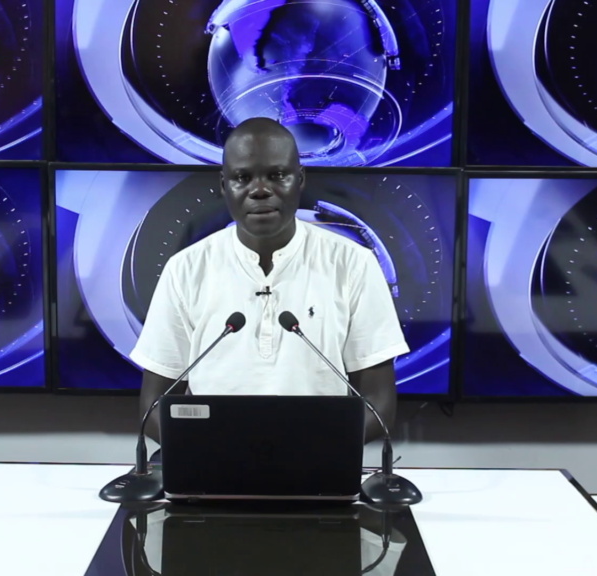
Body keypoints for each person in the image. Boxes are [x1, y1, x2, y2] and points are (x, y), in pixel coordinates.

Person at [130, 117, 409, 443]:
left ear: (299, 179)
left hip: (318, 464)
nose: (260, 190)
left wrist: (310, 454)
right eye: (242, 178)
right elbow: (153, 408)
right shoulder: (185, 269)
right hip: (211, 464)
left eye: (277, 176)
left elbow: (379, 405)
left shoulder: (354, 264)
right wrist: (213, 455)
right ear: (224, 185)